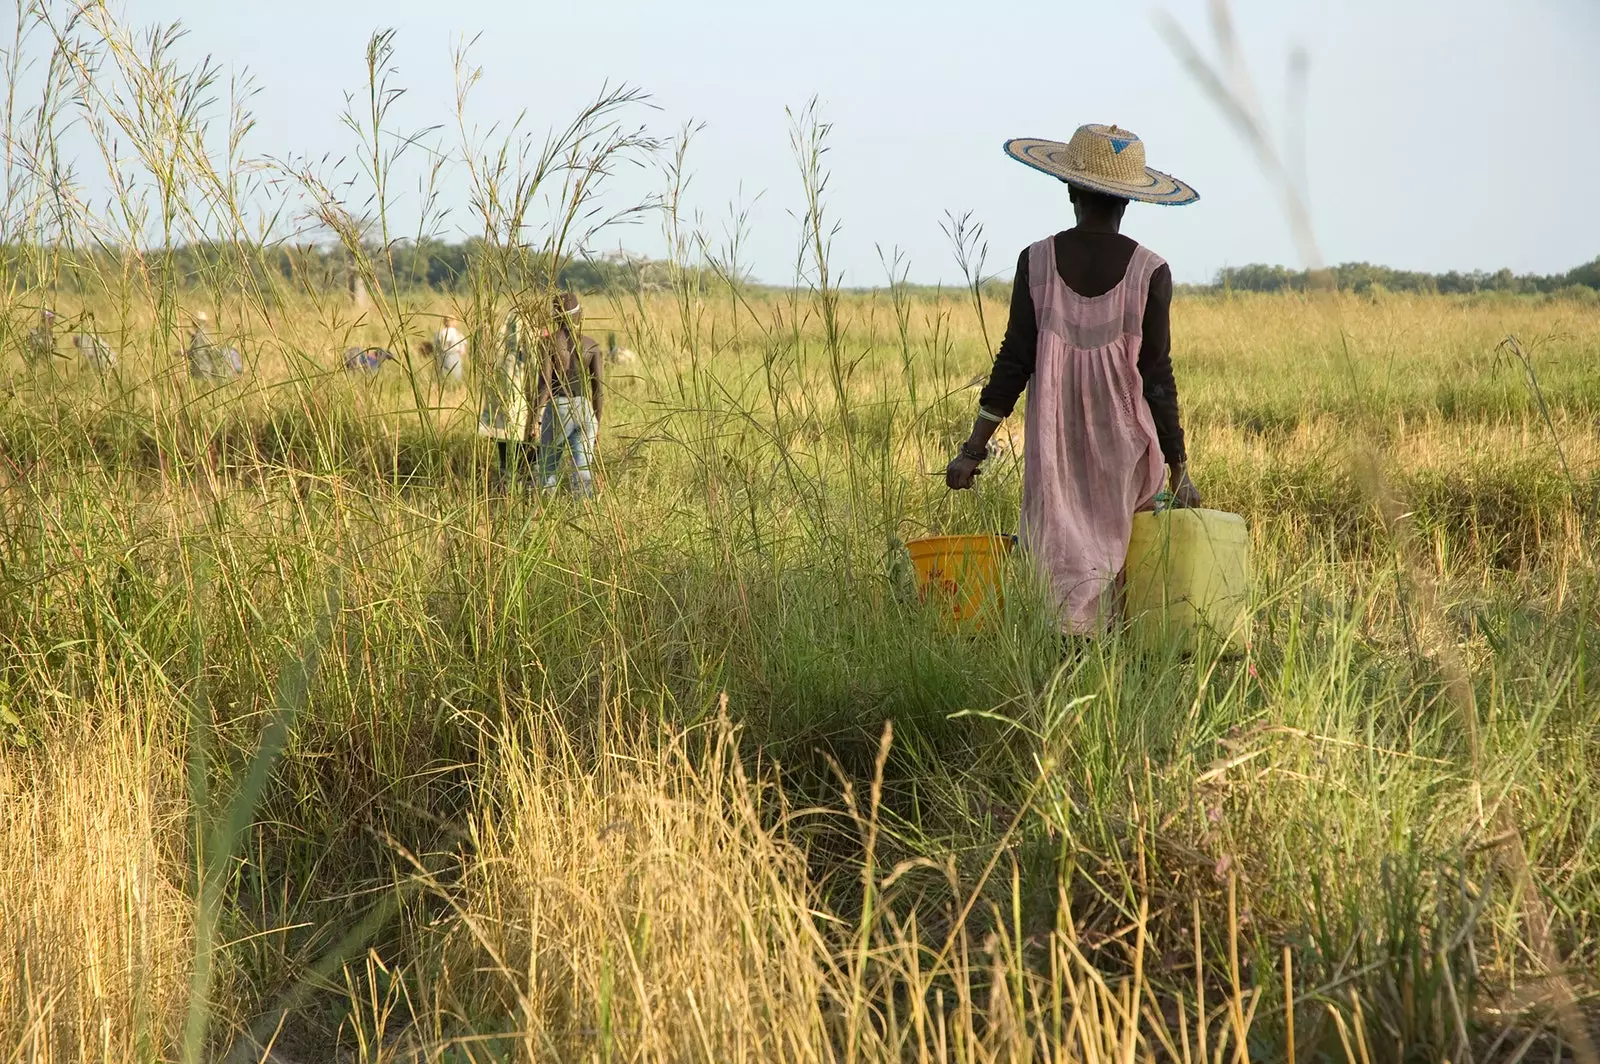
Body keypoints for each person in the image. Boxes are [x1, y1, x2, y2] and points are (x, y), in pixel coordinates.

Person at [946, 123, 1202, 634]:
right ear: (1129, 202)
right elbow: (1156, 380)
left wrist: (974, 448)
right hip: (1126, 453)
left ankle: (1058, 679)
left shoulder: (1034, 261)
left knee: (1058, 568)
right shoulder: (1152, 272)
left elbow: (1013, 362)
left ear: (1069, 189)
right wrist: (1178, 469)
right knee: (1125, 578)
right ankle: (1108, 690)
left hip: (1054, 448)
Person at [534, 291, 604, 497]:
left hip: (558, 407)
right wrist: (597, 422)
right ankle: (584, 511)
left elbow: (545, 385)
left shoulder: (548, 344)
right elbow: (598, 390)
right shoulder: (591, 345)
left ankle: (546, 511)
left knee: (548, 465)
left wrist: (534, 419)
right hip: (584, 409)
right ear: (578, 315)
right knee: (582, 469)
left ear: (555, 317)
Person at [187, 310, 243, 380]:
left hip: (202, 371)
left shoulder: (200, 336)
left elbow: (197, 353)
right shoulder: (204, 334)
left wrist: (184, 353)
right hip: (206, 370)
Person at [433, 315, 466, 381]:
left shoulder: (439, 333)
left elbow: (435, 346)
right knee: (456, 373)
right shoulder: (457, 333)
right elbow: (463, 348)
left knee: (444, 373)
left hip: (442, 355)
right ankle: (455, 386)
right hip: (455, 355)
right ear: (454, 322)